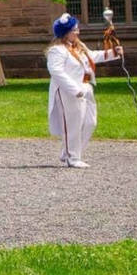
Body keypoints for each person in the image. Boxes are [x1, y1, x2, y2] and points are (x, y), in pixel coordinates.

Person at [46, 13, 102, 168]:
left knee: (90, 122)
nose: (77, 32)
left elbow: (93, 56)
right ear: (65, 33)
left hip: (86, 87)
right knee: (73, 124)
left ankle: (68, 153)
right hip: (68, 91)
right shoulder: (57, 50)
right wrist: (73, 89)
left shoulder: (78, 48)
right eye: (74, 30)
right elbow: (56, 71)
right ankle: (73, 157)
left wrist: (114, 53)